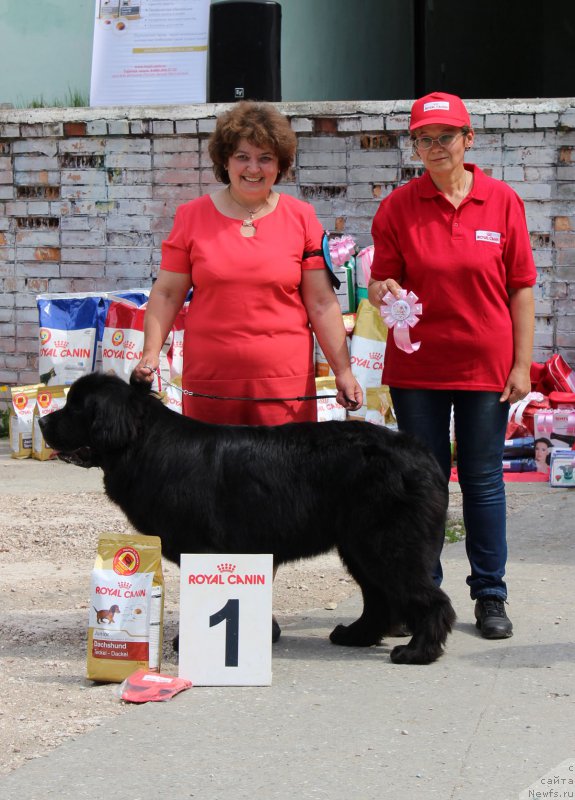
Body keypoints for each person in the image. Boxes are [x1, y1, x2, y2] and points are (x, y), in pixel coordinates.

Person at [132, 101, 363, 642]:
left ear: (281, 164)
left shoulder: (302, 218)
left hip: (282, 383)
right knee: (206, 502)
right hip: (210, 387)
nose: (253, 168)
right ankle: (220, 609)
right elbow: (167, 292)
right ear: (224, 160)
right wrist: (149, 353)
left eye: (265, 158)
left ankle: (254, 607)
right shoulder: (192, 216)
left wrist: (345, 371)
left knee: (268, 502)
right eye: (242, 157)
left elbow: (323, 304)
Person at [368, 91, 536, 640]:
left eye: (445, 136)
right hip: (418, 368)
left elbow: (521, 290)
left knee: (485, 481)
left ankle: (490, 594)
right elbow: (378, 283)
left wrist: (522, 364)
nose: (435, 147)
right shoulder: (398, 206)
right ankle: (423, 592)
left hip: (485, 366)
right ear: (414, 144)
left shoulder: (503, 201)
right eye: (424, 138)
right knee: (423, 484)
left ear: (469, 139)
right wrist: (381, 289)